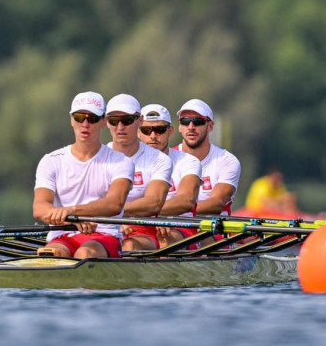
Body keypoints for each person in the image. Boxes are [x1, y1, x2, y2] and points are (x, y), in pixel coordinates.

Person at [32, 91, 134, 259]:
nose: (85, 124)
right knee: (52, 254)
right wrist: (71, 219)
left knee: (85, 253)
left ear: (104, 122)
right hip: (62, 236)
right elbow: (40, 208)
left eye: (92, 118)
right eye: (80, 117)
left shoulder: (120, 162)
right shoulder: (50, 160)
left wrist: (73, 211)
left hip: (104, 236)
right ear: (72, 120)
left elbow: (114, 204)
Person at [101, 94, 173, 253]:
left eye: (127, 120)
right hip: (100, 226)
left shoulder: (159, 159)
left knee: (128, 246)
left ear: (139, 121)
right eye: (114, 121)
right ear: (106, 122)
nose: (120, 127)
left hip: (143, 230)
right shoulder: (97, 158)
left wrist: (115, 213)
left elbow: (153, 204)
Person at [128, 103, 202, 249]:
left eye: (160, 130)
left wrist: (145, 212)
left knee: (166, 242)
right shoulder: (126, 162)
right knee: (128, 245)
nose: (153, 136)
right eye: (146, 130)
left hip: (178, 226)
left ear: (170, 131)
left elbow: (186, 201)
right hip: (137, 225)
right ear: (138, 132)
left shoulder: (188, 161)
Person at [176, 99, 240, 216]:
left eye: (198, 121)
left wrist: (177, 212)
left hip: (212, 231)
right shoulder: (166, 159)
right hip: (175, 229)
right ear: (180, 126)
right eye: (185, 121)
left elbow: (217, 203)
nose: (191, 127)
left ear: (210, 126)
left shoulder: (227, 160)